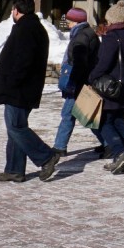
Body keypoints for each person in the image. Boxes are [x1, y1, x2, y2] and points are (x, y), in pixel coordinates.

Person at [0, 0, 60, 183]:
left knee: (15, 128)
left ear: (17, 10)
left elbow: (23, 61)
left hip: (19, 89)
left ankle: (46, 156)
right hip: (24, 88)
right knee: (16, 129)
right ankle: (14, 169)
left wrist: (11, 83)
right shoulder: (32, 27)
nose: (12, 12)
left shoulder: (26, 29)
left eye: (13, 9)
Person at [90, 1, 124, 174]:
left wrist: (91, 77)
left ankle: (120, 152)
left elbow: (103, 64)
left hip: (111, 88)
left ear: (112, 20)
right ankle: (120, 160)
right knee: (119, 121)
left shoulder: (112, 38)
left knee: (102, 122)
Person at [52, 8, 101, 155]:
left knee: (69, 115)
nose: (67, 23)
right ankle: (109, 143)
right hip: (85, 81)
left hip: (79, 83)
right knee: (87, 115)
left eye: (69, 20)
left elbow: (80, 64)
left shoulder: (81, 37)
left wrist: (73, 84)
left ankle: (59, 147)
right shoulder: (87, 33)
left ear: (76, 21)